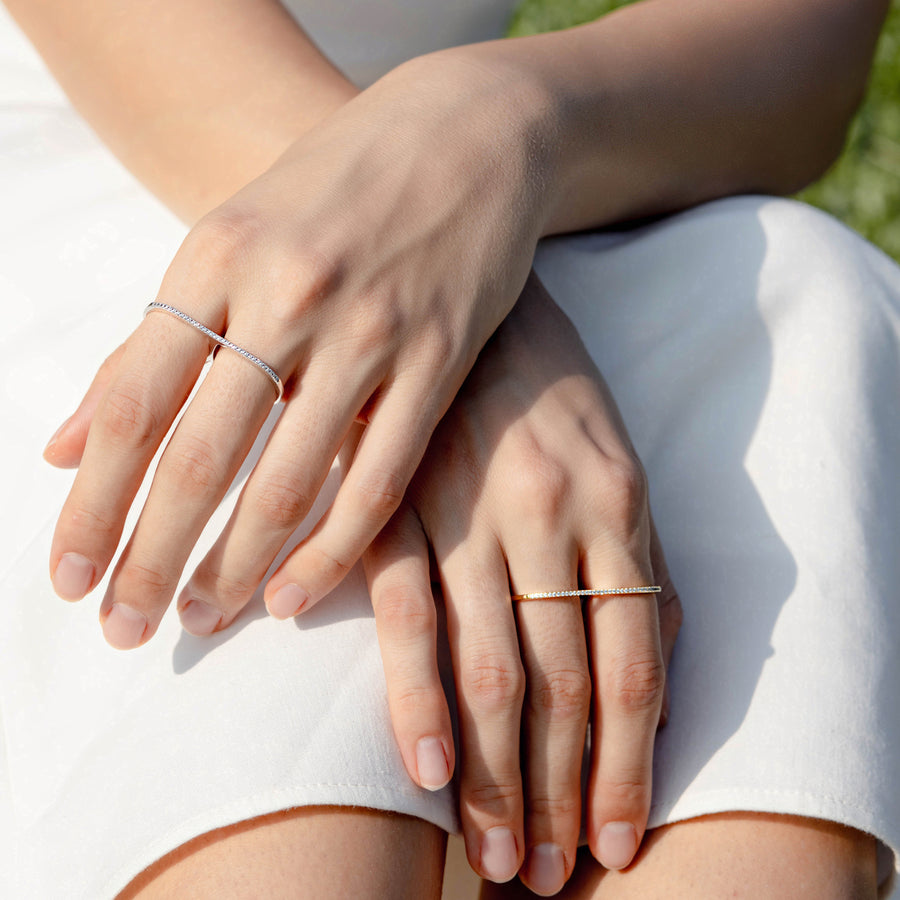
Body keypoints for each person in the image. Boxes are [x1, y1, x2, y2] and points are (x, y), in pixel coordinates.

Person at [0, 0, 897, 897]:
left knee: (803, 304)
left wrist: (492, 127)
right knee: (312, 692)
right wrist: (462, 339)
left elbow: (806, 56)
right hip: (110, 167)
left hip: (514, 175)